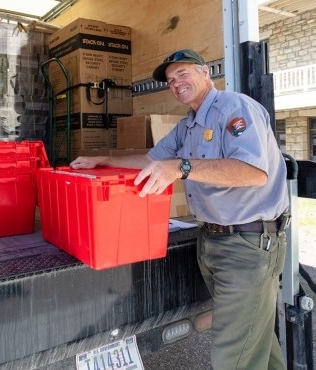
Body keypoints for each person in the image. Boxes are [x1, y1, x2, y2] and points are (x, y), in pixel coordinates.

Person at [70, 48, 290, 370]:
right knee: (254, 339)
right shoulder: (188, 125)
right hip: (214, 241)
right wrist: (102, 160)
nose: (176, 83)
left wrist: (182, 166)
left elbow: (253, 172)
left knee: (234, 355)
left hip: (247, 245)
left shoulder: (234, 108)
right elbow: (153, 160)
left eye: (183, 74)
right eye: (171, 80)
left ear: (205, 73)